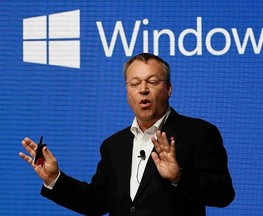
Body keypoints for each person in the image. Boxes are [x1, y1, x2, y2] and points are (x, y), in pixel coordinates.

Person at [19, 53, 235, 216]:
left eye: (152, 82)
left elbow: (223, 194)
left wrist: (179, 177)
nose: (143, 89)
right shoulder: (114, 145)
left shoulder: (198, 133)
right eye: (134, 83)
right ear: (127, 90)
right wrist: (54, 179)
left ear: (168, 88)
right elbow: (96, 202)